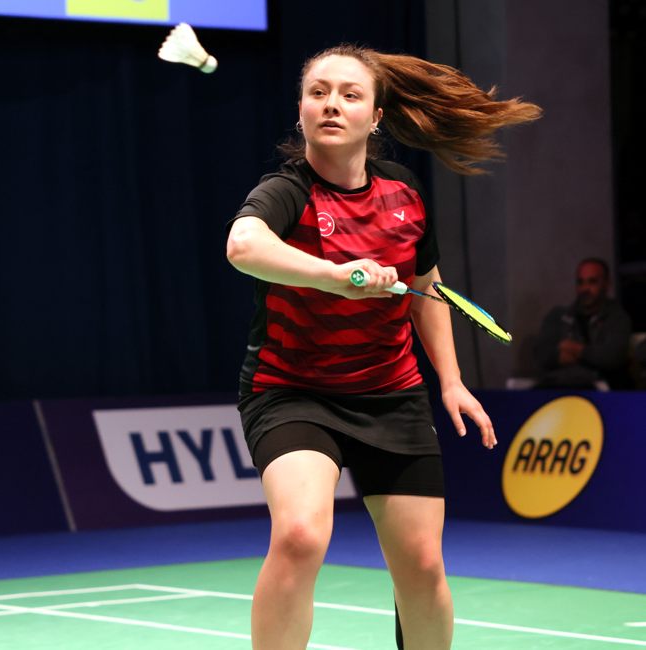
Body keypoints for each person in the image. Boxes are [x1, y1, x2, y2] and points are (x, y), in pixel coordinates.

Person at [226, 44, 541, 650]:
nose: (332, 105)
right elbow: (243, 247)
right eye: (318, 93)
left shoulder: (403, 193)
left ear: (375, 117)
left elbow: (428, 291)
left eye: (349, 94)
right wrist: (337, 274)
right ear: (301, 111)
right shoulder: (287, 189)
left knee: (422, 567)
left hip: (392, 395)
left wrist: (450, 380)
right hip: (293, 392)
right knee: (298, 535)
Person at [534, 258, 632, 390]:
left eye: (592, 282)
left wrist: (576, 350)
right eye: (580, 282)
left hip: (601, 391)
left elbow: (612, 357)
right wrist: (562, 356)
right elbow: (542, 354)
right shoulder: (558, 316)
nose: (585, 288)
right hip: (557, 386)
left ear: (607, 284)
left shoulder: (618, 318)